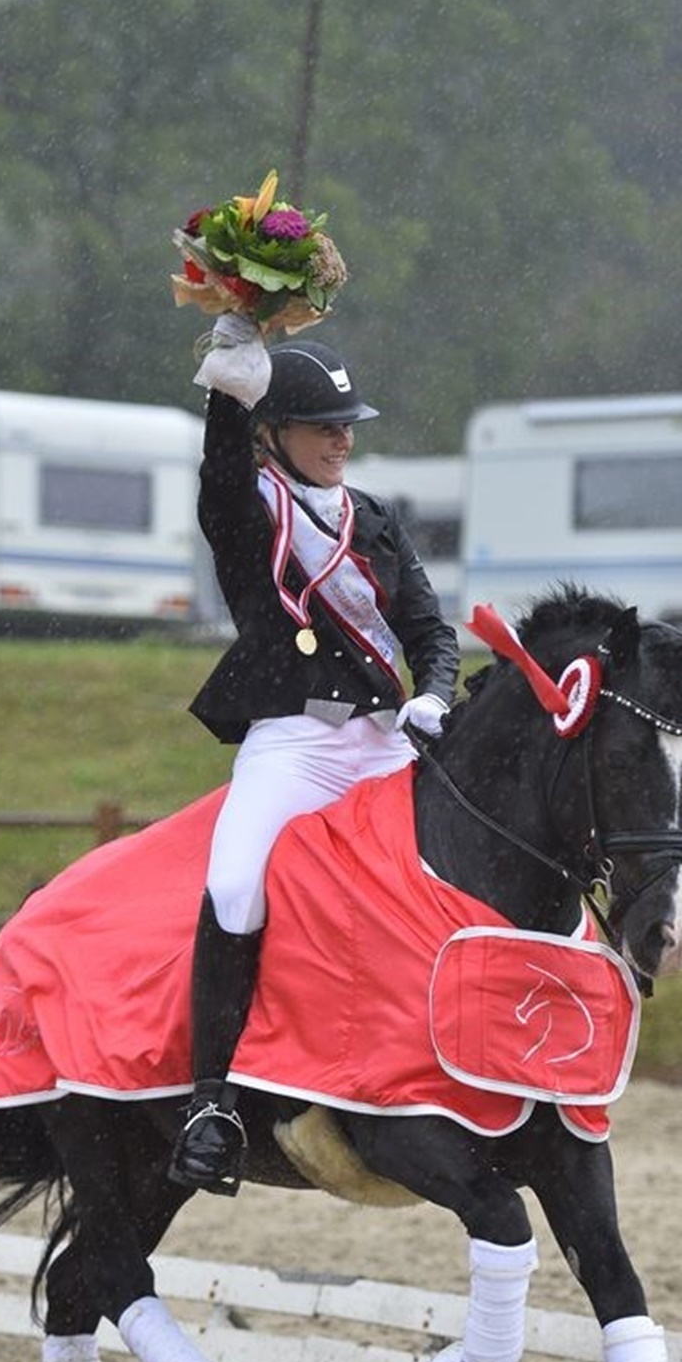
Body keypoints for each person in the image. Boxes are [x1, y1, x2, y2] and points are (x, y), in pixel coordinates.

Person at [168, 313, 460, 1196]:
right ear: (274, 433)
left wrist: (433, 693)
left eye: (348, 427)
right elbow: (221, 472)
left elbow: (429, 629)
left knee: (454, 874)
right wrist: (229, 392)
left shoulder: (374, 519)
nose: (342, 441)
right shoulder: (248, 512)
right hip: (294, 741)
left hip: (381, 739)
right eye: (323, 427)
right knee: (236, 885)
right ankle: (212, 1107)